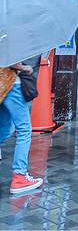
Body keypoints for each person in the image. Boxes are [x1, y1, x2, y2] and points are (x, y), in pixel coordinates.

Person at [0, 61, 44, 194]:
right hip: (10, 82)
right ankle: (19, 177)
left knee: (5, 127)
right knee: (24, 129)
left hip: (2, 86)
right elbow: (9, 59)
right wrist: (24, 67)